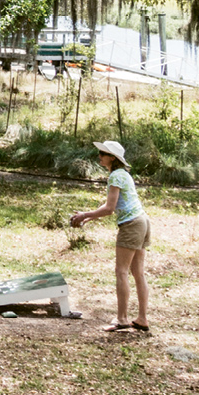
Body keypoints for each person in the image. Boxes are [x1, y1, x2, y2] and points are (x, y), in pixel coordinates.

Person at [70, 139, 150, 334]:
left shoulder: (115, 176)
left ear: (112, 158)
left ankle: (122, 319)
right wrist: (90, 218)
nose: (100, 157)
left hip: (131, 225)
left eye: (103, 154)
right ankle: (142, 318)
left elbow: (109, 208)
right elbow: (112, 206)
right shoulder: (124, 174)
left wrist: (84, 215)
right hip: (142, 221)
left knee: (121, 272)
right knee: (138, 273)